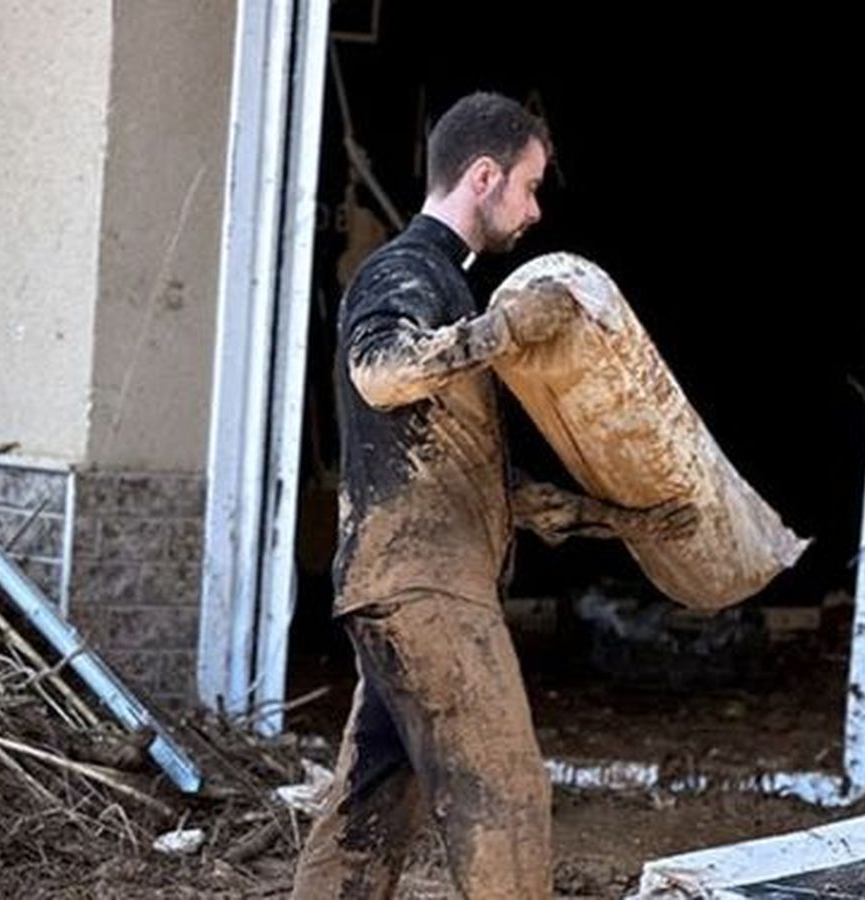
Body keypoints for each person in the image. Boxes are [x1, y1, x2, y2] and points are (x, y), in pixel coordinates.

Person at [291, 90, 698, 900]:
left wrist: (619, 519)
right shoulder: (408, 271)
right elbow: (381, 371)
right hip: (427, 591)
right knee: (503, 796)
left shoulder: (445, 284)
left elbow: (476, 480)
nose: (536, 210)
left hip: (397, 587)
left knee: (369, 806)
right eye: (530, 185)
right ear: (484, 176)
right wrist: (508, 328)